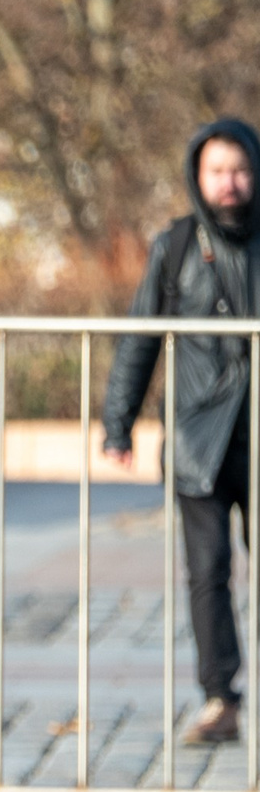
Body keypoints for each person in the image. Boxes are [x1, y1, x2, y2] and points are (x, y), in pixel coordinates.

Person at [102, 119, 260, 746]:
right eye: (218, 170)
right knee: (208, 571)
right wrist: (119, 423)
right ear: (198, 176)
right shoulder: (174, 245)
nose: (230, 182)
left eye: (240, 169)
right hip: (199, 441)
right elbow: (139, 339)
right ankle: (220, 697)